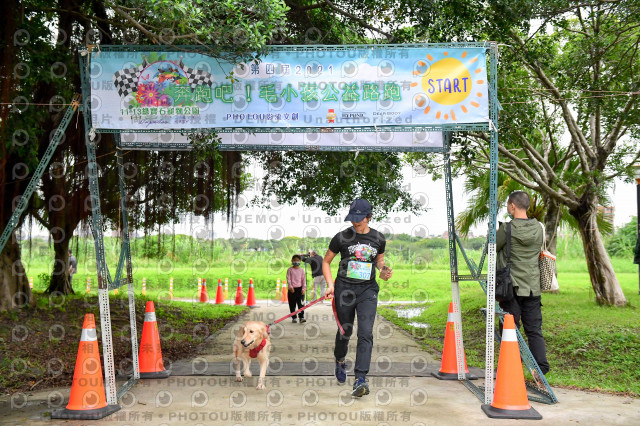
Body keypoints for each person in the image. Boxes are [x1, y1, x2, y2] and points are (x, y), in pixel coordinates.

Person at [323, 199, 392, 397]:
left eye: (359, 220)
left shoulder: (378, 238)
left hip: (367, 291)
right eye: (352, 219)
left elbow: (379, 260)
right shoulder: (341, 237)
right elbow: (326, 262)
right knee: (345, 331)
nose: (355, 223)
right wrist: (330, 285)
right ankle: (340, 360)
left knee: (366, 333)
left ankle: (360, 379)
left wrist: (383, 270)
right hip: (344, 290)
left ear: (369, 216)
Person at [496, 191, 550, 380]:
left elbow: (492, 246)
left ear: (512, 206)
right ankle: (540, 370)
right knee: (534, 330)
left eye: (507, 205)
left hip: (510, 287)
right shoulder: (539, 228)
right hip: (533, 286)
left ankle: (512, 369)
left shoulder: (507, 229)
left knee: (509, 328)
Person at [286, 255, 307, 323]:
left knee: (301, 304)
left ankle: (301, 317)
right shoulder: (290, 270)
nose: (296, 261)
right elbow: (288, 279)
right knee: (292, 304)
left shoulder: (301, 270)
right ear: (292, 261)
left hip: (300, 289)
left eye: (298, 260)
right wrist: (290, 287)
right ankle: (294, 317)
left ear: (300, 261)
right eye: (294, 260)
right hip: (292, 290)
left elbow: (303, 280)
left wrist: (304, 288)